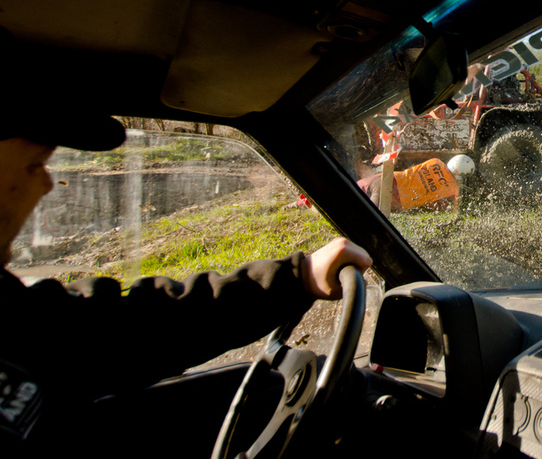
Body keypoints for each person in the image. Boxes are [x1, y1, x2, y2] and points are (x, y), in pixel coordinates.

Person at [0, 109, 373, 456]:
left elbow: (121, 330)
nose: (47, 184)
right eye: (35, 165)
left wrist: (296, 279)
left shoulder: (17, 315)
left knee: (281, 391)